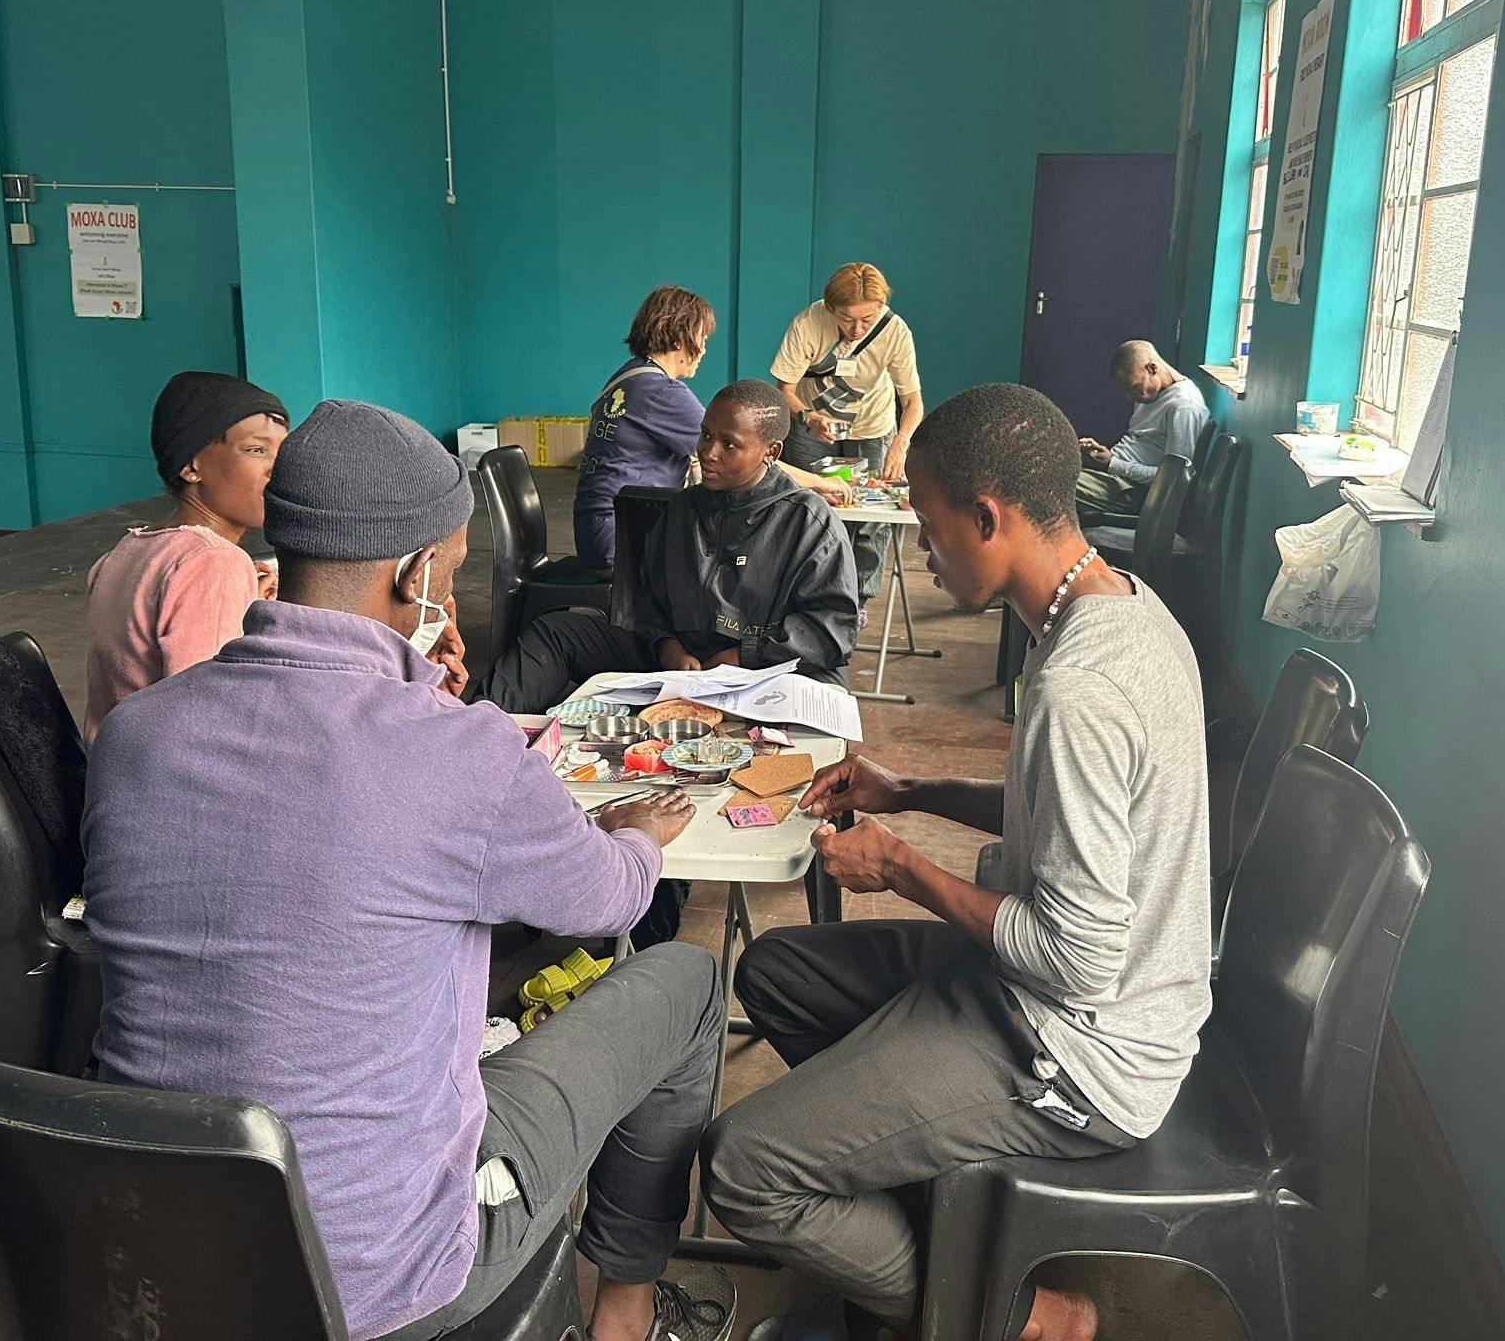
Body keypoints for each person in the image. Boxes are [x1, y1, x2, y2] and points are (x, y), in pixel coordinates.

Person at [81, 399, 737, 1341]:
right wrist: (637, 835)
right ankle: (626, 1315)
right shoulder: (456, 752)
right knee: (688, 982)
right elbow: (610, 899)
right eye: (455, 571)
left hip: (152, 1255)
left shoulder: (138, 736)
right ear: (416, 573)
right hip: (376, 1270)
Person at [700, 383, 1211, 1341]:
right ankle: (928, 1219)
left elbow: (1077, 959)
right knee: (776, 972)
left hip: (1081, 1050)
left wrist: (901, 868)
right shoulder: (1123, 610)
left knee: (742, 1166)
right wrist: (909, 791)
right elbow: (1064, 814)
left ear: (987, 517)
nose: (925, 555)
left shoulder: (1081, 687)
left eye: (930, 529)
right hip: (1053, 992)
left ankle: (1026, 1317)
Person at [481, 379, 859, 714]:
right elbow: (645, 599)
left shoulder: (809, 523)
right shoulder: (683, 509)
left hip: (765, 673)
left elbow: (831, 629)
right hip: (680, 665)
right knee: (556, 633)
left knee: (821, 701)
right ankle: (472, 733)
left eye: (729, 444)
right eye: (706, 435)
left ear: (771, 453)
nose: (709, 452)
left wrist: (742, 656)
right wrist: (666, 645)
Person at [83, 370, 288, 741]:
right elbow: (209, 714)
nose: (280, 468)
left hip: (115, 764)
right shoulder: (215, 562)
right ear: (191, 467)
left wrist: (242, 610)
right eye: (256, 450)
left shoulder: (124, 553)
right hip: (170, 772)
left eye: (282, 451)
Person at [770, 263, 922, 602]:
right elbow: (784, 389)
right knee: (811, 507)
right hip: (812, 427)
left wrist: (900, 443)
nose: (857, 329)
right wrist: (809, 417)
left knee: (871, 519)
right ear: (831, 307)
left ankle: (858, 601)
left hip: (872, 427)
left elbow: (913, 402)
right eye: (847, 318)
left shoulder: (895, 331)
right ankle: (808, 595)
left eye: (867, 319)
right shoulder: (808, 324)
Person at [573, 286, 716, 574]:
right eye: (701, 338)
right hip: (622, 544)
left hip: (597, 531)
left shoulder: (630, 374)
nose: (703, 349)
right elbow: (738, 452)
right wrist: (810, 482)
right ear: (679, 338)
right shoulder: (661, 391)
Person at [1074, 339, 1211, 523]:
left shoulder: (1183, 406)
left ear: (1152, 369)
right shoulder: (1151, 393)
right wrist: (1100, 457)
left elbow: (1174, 479)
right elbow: (1139, 445)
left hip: (1132, 490)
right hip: (1116, 475)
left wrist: (1112, 464)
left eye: (1133, 388)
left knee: (1046, 487)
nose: (1129, 398)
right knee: (1046, 470)